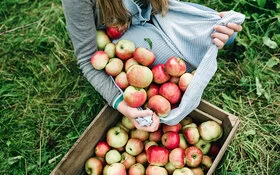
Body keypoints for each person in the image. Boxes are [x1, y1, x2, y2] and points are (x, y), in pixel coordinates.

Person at [61, 0, 243, 132]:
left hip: (154, 10)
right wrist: (124, 106)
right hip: (121, 31)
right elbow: (87, 59)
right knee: (175, 72)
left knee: (224, 33)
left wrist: (200, 20)